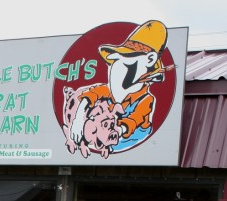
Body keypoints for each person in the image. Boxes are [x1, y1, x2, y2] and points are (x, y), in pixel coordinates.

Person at [68, 20, 175, 153]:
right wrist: (77, 120)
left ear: (149, 60)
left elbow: (133, 121)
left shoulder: (146, 100)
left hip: (129, 139)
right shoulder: (109, 90)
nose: (116, 69)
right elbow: (91, 94)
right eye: (116, 62)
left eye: (126, 62)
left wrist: (115, 131)